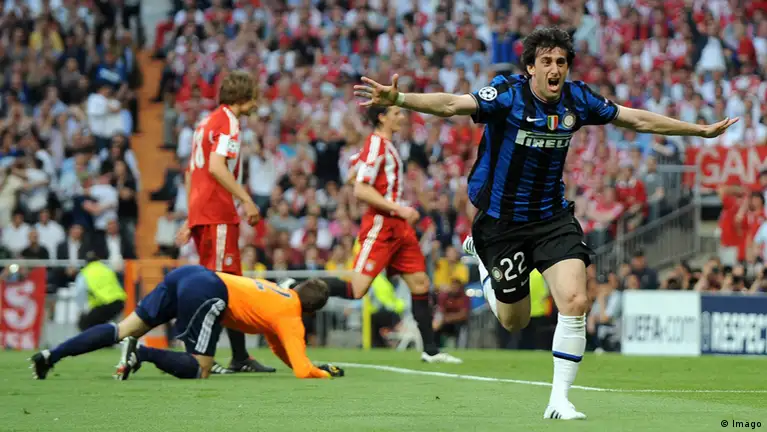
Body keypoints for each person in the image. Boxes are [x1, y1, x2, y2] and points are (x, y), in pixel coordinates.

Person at [355, 27, 737, 420]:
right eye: (547, 61)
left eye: (561, 62)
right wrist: (400, 98)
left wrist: (697, 130)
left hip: (552, 218)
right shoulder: (508, 94)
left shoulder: (578, 99)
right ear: (531, 67)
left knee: (575, 300)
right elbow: (452, 103)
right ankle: (484, 262)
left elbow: (635, 119)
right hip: (502, 224)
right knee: (514, 320)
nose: (555, 69)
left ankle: (559, 400)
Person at [30, 265, 344, 380]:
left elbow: (281, 349)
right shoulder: (292, 317)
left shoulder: (281, 294)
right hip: (209, 291)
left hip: (189, 273)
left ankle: (50, 356)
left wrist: (310, 365)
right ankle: (141, 352)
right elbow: (301, 371)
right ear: (311, 312)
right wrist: (321, 372)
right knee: (200, 368)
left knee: (123, 329)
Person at [322, 105, 461, 364]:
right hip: (382, 224)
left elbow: (353, 174)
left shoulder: (383, 144)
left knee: (420, 284)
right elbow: (360, 189)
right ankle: (294, 290)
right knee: (357, 288)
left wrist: (397, 209)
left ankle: (430, 351)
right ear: (382, 117)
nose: (402, 117)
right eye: (396, 113)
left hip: (399, 227)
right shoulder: (377, 144)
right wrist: (398, 208)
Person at [175, 70, 274, 374]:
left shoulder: (205, 122)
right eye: (254, 97)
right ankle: (199, 355)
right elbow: (217, 167)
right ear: (243, 97)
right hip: (216, 213)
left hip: (204, 213)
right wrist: (246, 199)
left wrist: (191, 216)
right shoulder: (228, 122)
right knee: (217, 286)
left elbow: (191, 172)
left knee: (230, 285)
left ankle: (239, 356)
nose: (256, 103)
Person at [74, 250, 127, 332]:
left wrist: (81, 310)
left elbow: (80, 292)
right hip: (120, 302)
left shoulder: (85, 273)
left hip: (105, 303)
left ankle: (95, 339)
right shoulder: (106, 269)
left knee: (83, 324)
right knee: (101, 323)